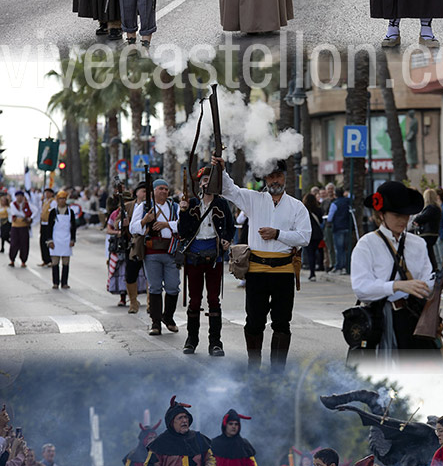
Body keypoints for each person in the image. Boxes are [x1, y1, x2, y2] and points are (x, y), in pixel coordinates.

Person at [213, 155, 311, 366]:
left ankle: (277, 371)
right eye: (270, 177)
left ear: (284, 178)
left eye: (278, 176)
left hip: (284, 270)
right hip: (256, 270)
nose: (275, 180)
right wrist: (221, 169)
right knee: (254, 321)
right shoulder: (254, 199)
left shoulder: (296, 206)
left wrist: (278, 234)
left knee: (282, 323)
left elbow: (305, 237)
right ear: (265, 179)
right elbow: (230, 190)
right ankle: (254, 366)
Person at [349, 181, 443, 356]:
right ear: (381, 214)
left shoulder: (418, 243)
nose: (403, 219)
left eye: (406, 214)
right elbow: (361, 289)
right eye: (397, 214)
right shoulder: (366, 244)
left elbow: (428, 286)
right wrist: (396, 286)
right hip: (384, 320)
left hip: (416, 318)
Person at [178, 164, 234, 356]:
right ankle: (191, 340)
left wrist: (226, 240)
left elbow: (230, 227)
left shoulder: (222, 204)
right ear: (199, 184)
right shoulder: (192, 203)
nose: (206, 183)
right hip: (193, 258)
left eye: (210, 180)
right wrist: (183, 212)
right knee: (194, 300)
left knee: (213, 300)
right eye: (204, 180)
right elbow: (183, 232)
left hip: (214, 258)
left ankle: (215, 342)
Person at [129, 177, 180, 336]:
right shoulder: (144, 206)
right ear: (154, 191)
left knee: (173, 286)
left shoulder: (174, 207)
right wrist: (145, 220)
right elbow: (132, 228)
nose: (164, 191)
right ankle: (156, 323)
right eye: (161, 189)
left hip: (170, 251)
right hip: (151, 252)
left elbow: (182, 224)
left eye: (166, 189)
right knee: (155, 287)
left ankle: (168, 317)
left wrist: (167, 225)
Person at [46, 189, 77, 290]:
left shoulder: (70, 212)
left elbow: (73, 227)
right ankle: (55, 282)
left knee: (65, 262)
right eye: (60, 199)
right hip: (55, 238)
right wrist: (50, 240)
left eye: (64, 199)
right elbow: (49, 227)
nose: (62, 201)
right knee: (55, 262)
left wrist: (73, 239)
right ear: (57, 200)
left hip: (66, 239)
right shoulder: (52, 212)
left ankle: (64, 282)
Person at [413, 189, 442, 272]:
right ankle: (433, 268)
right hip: (433, 233)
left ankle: (431, 269)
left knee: (427, 253)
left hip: (427, 233)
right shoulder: (436, 208)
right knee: (430, 252)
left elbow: (420, 218)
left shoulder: (430, 208)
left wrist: (417, 220)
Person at [8, 191, 33, 267]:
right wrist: (24, 216)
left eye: (21, 196)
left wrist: (29, 218)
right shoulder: (13, 204)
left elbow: (33, 212)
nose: (19, 198)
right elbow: (15, 213)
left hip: (23, 226)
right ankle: (12, 259)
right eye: (18, 196)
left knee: (24, 244)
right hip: (15, 226)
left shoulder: (26, 204)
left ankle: (23, 261)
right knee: (14, 243)